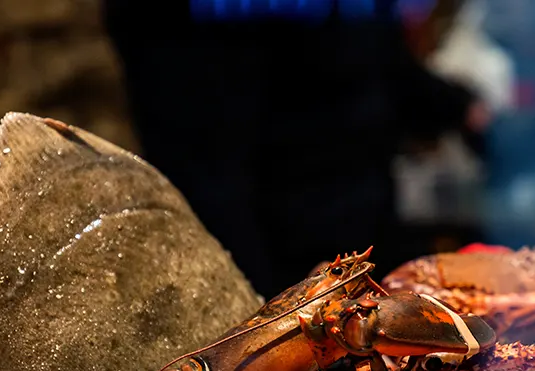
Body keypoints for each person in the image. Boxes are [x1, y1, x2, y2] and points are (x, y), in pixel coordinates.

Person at [102, 0, 490, 299]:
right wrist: (253, 309)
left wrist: (460, 107)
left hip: (368, 235)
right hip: (270, 261)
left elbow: (382, 65)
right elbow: (199, 164)